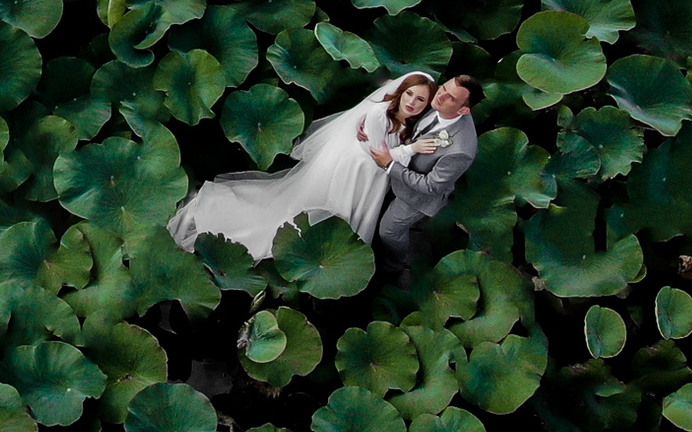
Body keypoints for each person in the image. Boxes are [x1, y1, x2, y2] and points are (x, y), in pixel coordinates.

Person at [166, 72, 437, 260]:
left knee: (343, 218)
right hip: (355, 170)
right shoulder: (379, 113)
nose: (412, 102)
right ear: (400, 92)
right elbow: (381, 155)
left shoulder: (407, 120)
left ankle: (339, 250)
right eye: (409, 94)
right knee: (318, 214)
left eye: (420, 100)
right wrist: (413, 149)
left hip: (368, 174)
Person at [367, 75, 481, 287]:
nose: (441, 96)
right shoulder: (435, 99)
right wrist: (372, 125)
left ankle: (393, 267)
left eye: (451, 98)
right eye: (444, 87)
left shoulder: (461, 149)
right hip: (402, 166)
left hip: (416, 197)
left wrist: (390, 164)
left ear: (463, 111)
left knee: (389, 231)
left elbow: (431, 186)